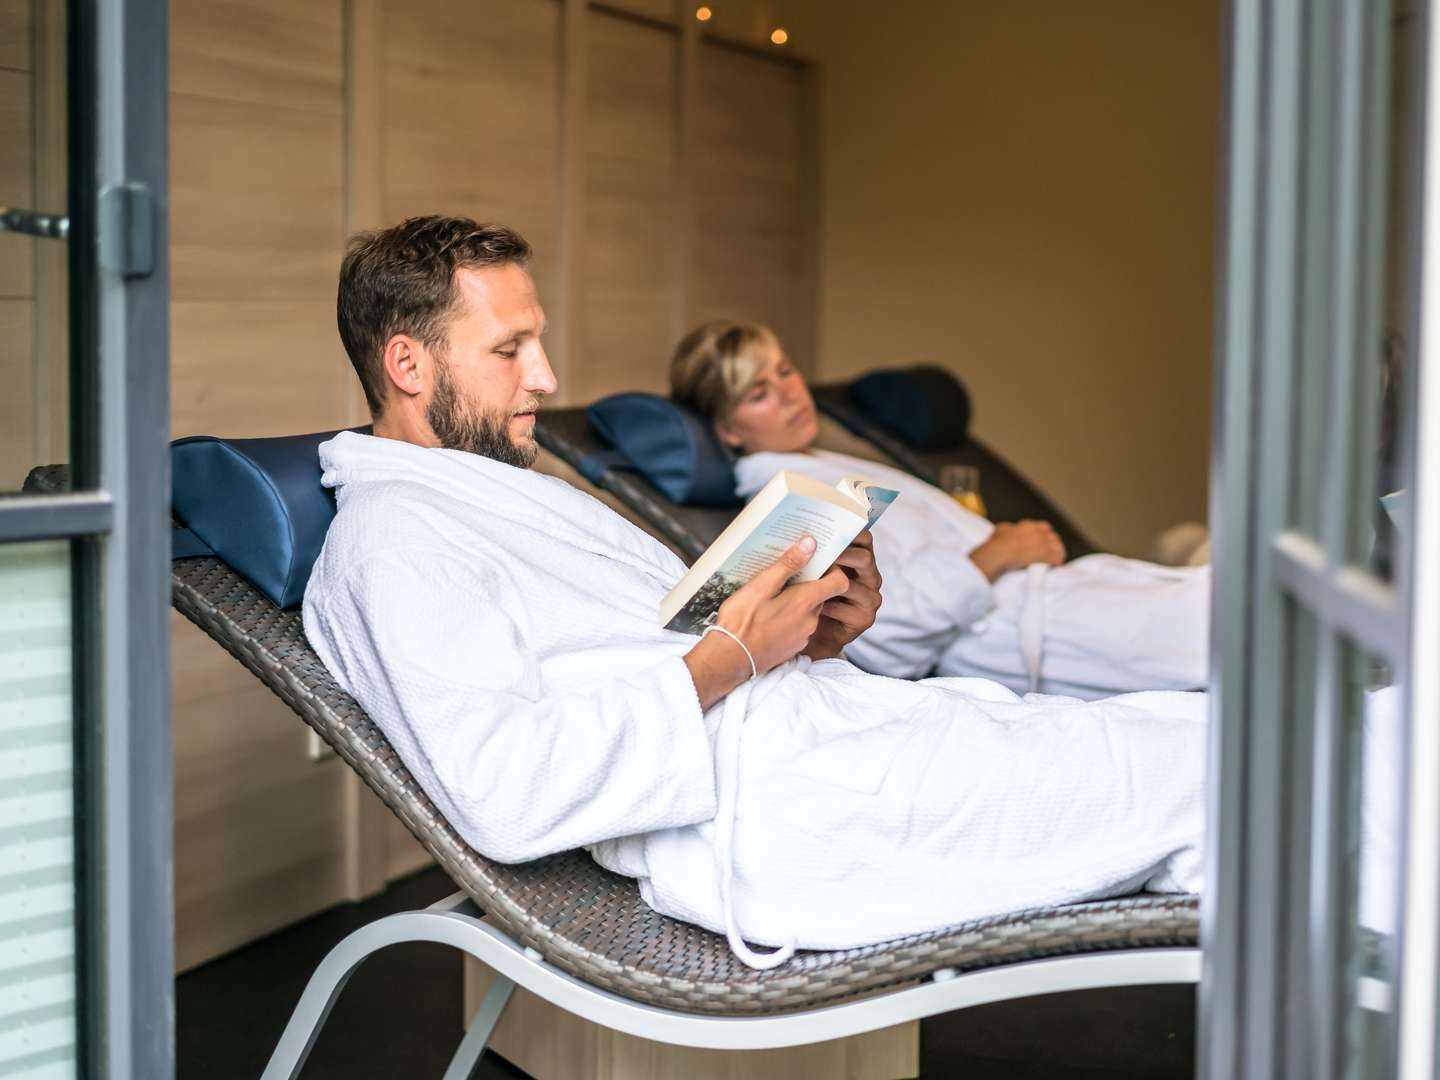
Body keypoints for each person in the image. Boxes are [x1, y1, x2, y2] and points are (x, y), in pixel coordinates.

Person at [303, 215, 1206, 969]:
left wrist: (812, 634)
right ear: (409, 366)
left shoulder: (502, 492)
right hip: (788, 811)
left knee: (1179, 746)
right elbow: (507, 790)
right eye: (510, 349)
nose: (546, 377)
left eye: (537, 340)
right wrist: (731, 656)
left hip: (832, 744)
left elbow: (666, 648)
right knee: (1201, 780)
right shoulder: (395, 545)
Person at [670, 321, 1212, 699]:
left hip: (1054, 597)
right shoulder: (790, 504)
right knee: (1233, 626)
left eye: (785, 371)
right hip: (1017, 633)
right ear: (728, 429)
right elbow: (887, 636)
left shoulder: (824, 459)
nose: (789, 393)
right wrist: (996, 555)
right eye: (758, 392)